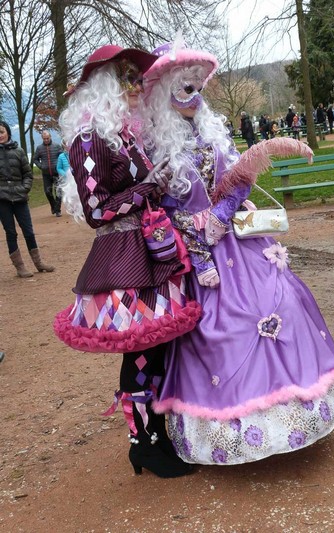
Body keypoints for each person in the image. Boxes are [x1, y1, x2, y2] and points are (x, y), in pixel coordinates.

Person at [142, 41, 334, 466]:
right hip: (194, 254)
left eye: (197, 87)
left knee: (284, 303)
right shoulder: (152, 147)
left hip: (237, 240)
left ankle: (293, 416)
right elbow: (155, 201)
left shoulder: (212, 133)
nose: (193, 94)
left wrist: (220, 215)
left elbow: (239, 176)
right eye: (183, 87)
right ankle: (227, 429)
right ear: (164, 90)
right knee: (219, 327)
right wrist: (193, 230)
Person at [55, 44, 201, 478]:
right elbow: (97, 209)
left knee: (155, 348)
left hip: (148, 249)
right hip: (122, 255)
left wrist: (157, 181)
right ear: (103, 87)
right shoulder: (88, 139)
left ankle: (155, 435)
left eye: (138, 78)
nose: (137, 86)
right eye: (126, 78)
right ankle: (144, 444)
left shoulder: (123, 135)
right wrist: (150, 187)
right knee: (140, 349)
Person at [0, 120, 54, 278]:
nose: (0, 135)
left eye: (2, 132)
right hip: (2, 200)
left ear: (8, 132)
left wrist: (24, 189)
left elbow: (28, 174)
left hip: (20, 197)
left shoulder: (19, 151)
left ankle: (39, 263)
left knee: (28, 232)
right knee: (11, 233)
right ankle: (20, 267)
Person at [33, 130, 63, 216]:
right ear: (42, 138)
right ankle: (54, 206)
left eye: (47, 138)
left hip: (57, 173)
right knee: (47, 192)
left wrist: (60, 167)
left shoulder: (57, 146)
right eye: (44, 138)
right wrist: (41, 166)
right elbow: (35, 159)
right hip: (46, 174)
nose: (46, 140)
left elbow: (62, 157)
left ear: (50, 137)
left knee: (58, 192)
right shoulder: (39, 148)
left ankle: (58, 211)